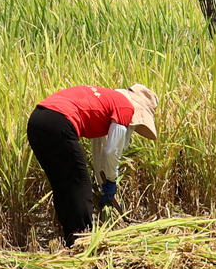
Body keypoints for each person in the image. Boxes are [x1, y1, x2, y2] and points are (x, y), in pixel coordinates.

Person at [26, 84, 158, 245]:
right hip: (59, 122)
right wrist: (111, 181)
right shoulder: (125, 106)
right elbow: (112, 151)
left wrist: (103, 182)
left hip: (37, 121)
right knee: (80, 186)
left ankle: (70, 242)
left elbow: (99, 151)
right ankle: (83, 243)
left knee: (63, 187)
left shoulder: (108, 100)